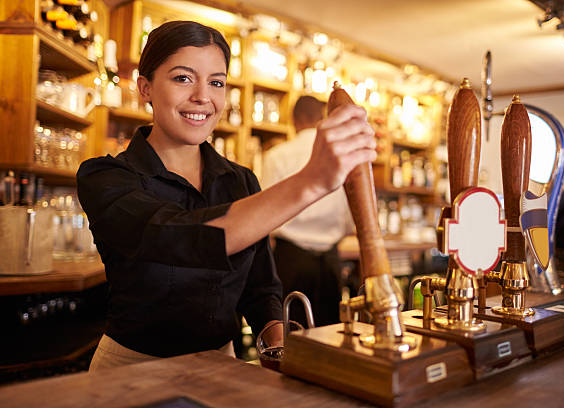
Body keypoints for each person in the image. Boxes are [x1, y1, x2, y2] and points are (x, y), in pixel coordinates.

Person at [76, 21, 376, 371]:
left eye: (216, 82)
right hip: (130, 371)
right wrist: (312, 181)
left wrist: (277, 341)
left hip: (222, 366)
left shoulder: (241, 180)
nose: (203, 96)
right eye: (183, 78)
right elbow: (178, 237)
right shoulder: (106, 177)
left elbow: (261, 288)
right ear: (145, 88)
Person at [261, 96, 353, 327]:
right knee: (329, 335)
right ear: (322, 118)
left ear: (294, 120)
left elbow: (265, 214)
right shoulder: (341, 157)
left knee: (290, 337)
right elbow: (350, 219)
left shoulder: (278, 155)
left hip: (290, 259)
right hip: (331, 262)